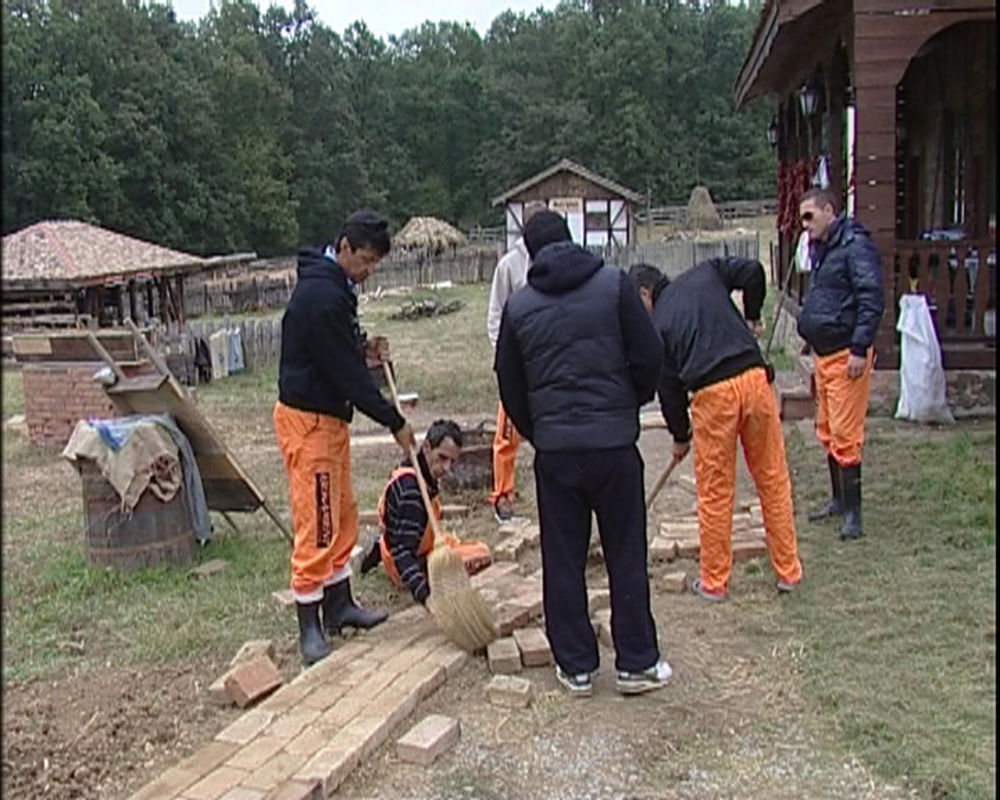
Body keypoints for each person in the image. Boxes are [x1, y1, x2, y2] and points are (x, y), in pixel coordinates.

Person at [495, 210, 671, 697]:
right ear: (571, 239)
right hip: (614, 446)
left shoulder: (520, 307)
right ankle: (636, 662)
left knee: (563, 557)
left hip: (557, 453)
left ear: (528, 253)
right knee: (626, 552)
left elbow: (509, 383)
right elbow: (650, 352)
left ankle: (574, 665)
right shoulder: (614, 286)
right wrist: (626, 404)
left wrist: (540, 431)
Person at [274, 208, 417, 666]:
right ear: (345, 247)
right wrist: (393, 419)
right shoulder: (322, 295)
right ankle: (310, 624)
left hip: (330, 419)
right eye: (367, 260)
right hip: (308, 420)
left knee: (341, 512)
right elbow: (347, 375)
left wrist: (363, 346)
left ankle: (339, 603)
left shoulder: (336, 287)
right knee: (316, 520)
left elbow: (338, 352)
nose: (370, 270)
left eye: (376, 263)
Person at [628, 261, 803, 602]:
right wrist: (752, 316)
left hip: (713, 397)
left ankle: (714, 581)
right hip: (756, 382)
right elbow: (753, 271)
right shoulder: (706, 273)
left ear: (645, 294)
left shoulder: (658, 327)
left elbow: (670, 393)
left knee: (715, 491)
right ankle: (789, 572)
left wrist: (680, 436)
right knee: (772, 480)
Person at [797, 188, 884, 540]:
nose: (805, 225)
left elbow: (870, 297)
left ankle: (854, 516)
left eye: (809, 216)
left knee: (847, 436)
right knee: (828, 430)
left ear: (829, 211)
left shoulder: (855, 246)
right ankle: (837, 499)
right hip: (824, 354)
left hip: (847, 354)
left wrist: (860, 348)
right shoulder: (823, 248)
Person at [371, 419, 492, 603]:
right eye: (442, 458)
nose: (447, 468)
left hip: (410, 547)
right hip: (407, 565)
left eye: (452, 461)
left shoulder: (418, 472)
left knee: (471, 548)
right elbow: (403, 552)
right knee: (481, 555)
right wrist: (425, 595)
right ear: (426, 447)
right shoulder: (411, 491)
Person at [486, 201, 547, 522]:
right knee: (508, 433)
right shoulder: (510, 266)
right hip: (518, 364)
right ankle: (503, 493)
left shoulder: (554, 261)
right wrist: (504, 357)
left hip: (548, 363)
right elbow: (495, 313)